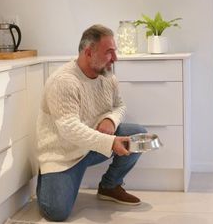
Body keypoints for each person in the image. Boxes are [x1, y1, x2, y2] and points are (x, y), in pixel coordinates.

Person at [35, 24, 147, 222]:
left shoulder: (107, 75)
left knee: (137, 135)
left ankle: (110, 186)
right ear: (89, 52)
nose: (115, 58)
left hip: (92, 146)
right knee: (56, 213)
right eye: (109, 52)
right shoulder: (64, 81)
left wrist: (109, 120)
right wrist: (110, 142)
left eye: (115, 52)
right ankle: (48, 177)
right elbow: (69, 129)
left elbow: (119, 106)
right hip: (64, 154)